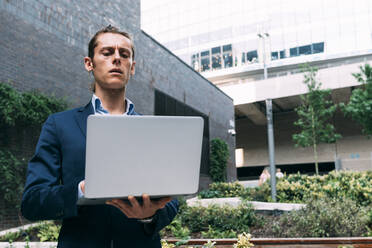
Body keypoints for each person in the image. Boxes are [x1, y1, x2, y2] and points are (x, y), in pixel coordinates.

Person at [21, 25, 179, 248]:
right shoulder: (59, 125)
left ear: (132, 67)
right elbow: (32, 201)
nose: (116, 58)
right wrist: (81, 191)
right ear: (89, 63)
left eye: (124, 54)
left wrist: (150, 214)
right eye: (107, 52)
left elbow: (172, 201)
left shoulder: (152, 130)